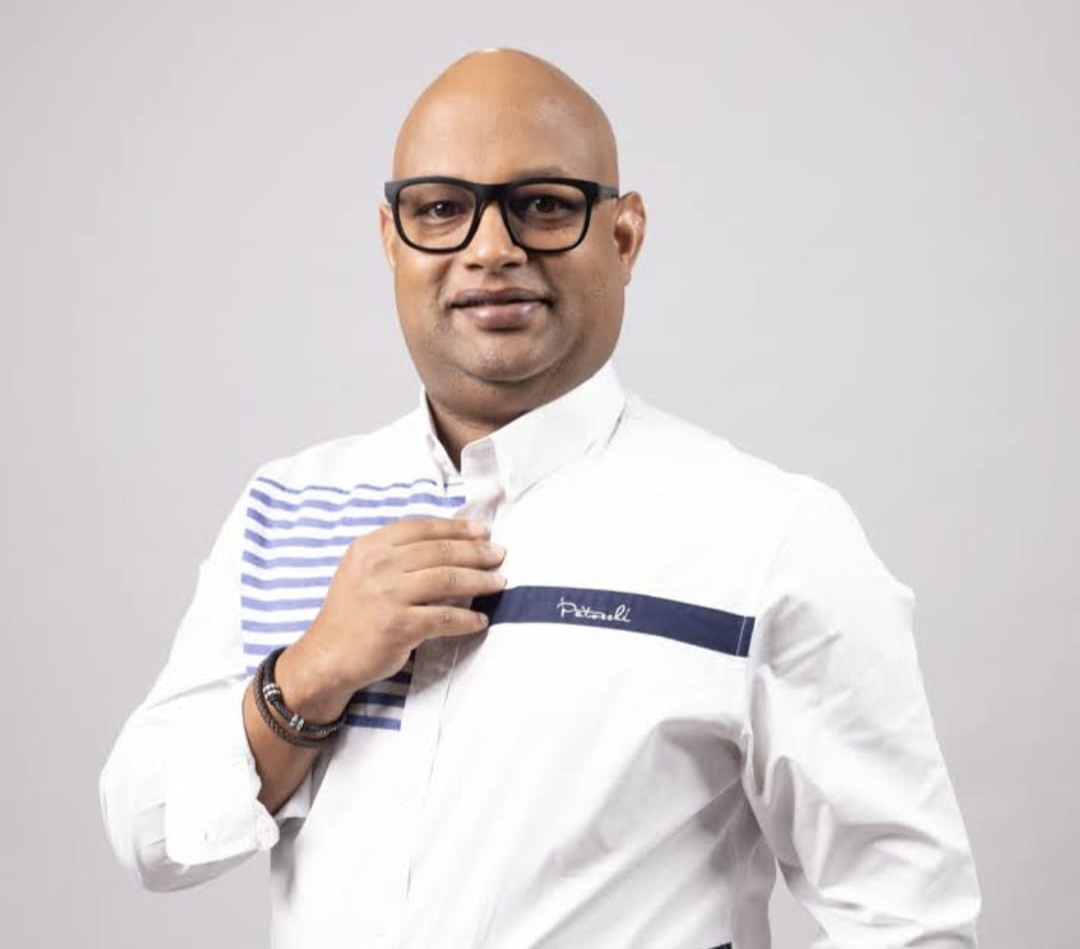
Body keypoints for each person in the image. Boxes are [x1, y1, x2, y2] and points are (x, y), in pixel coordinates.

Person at [100, 49, 981, 948]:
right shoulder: (288, 505)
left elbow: (907, 917)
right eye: (441, 209)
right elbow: (149, 833)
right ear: (392, 239)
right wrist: (314, 671)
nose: (491, 249)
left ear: (624, 238)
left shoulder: (770, 536)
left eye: (546, 205)